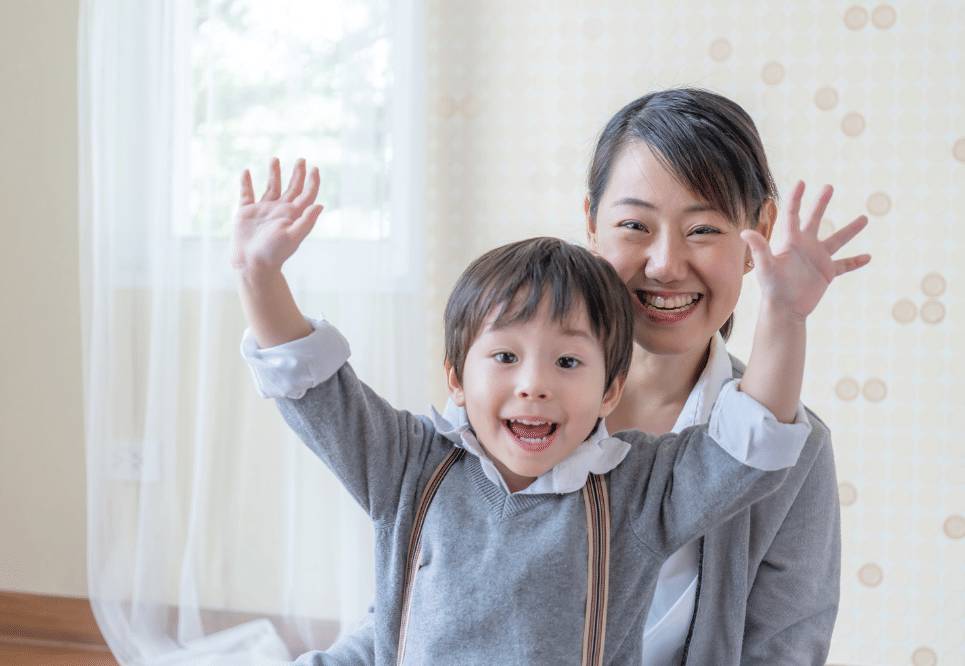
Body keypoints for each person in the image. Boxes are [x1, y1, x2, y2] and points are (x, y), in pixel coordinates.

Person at [230, 152, 867, 663]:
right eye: (504, 358)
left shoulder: (636, 490)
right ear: (455, 376)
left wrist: (784, 315)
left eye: (567, 363)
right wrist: (261, 276)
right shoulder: (410, 465)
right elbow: (314, 388)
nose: (534, 385)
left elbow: (749, 447)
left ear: (608, 389)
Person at [584, 87, 869, 665]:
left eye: (703, 230)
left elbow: (786, 649)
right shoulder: (519, 404)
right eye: (634, 224)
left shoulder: (796, 451)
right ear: (591, 223)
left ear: (756, 232)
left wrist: (786, 315)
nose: (665, 265)